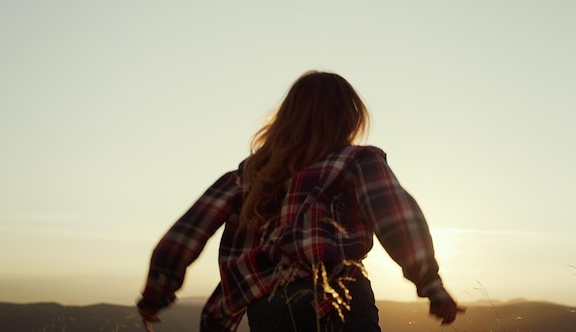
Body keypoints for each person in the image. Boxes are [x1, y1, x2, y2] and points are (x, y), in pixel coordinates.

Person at [137, 71, 463, 331]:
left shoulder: (248, 176)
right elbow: (398, 221)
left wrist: (156, 293)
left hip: (268, 303)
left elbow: (186, 232)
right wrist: (430, 284)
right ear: (347, 118)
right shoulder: (357, 161)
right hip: (340, 295)